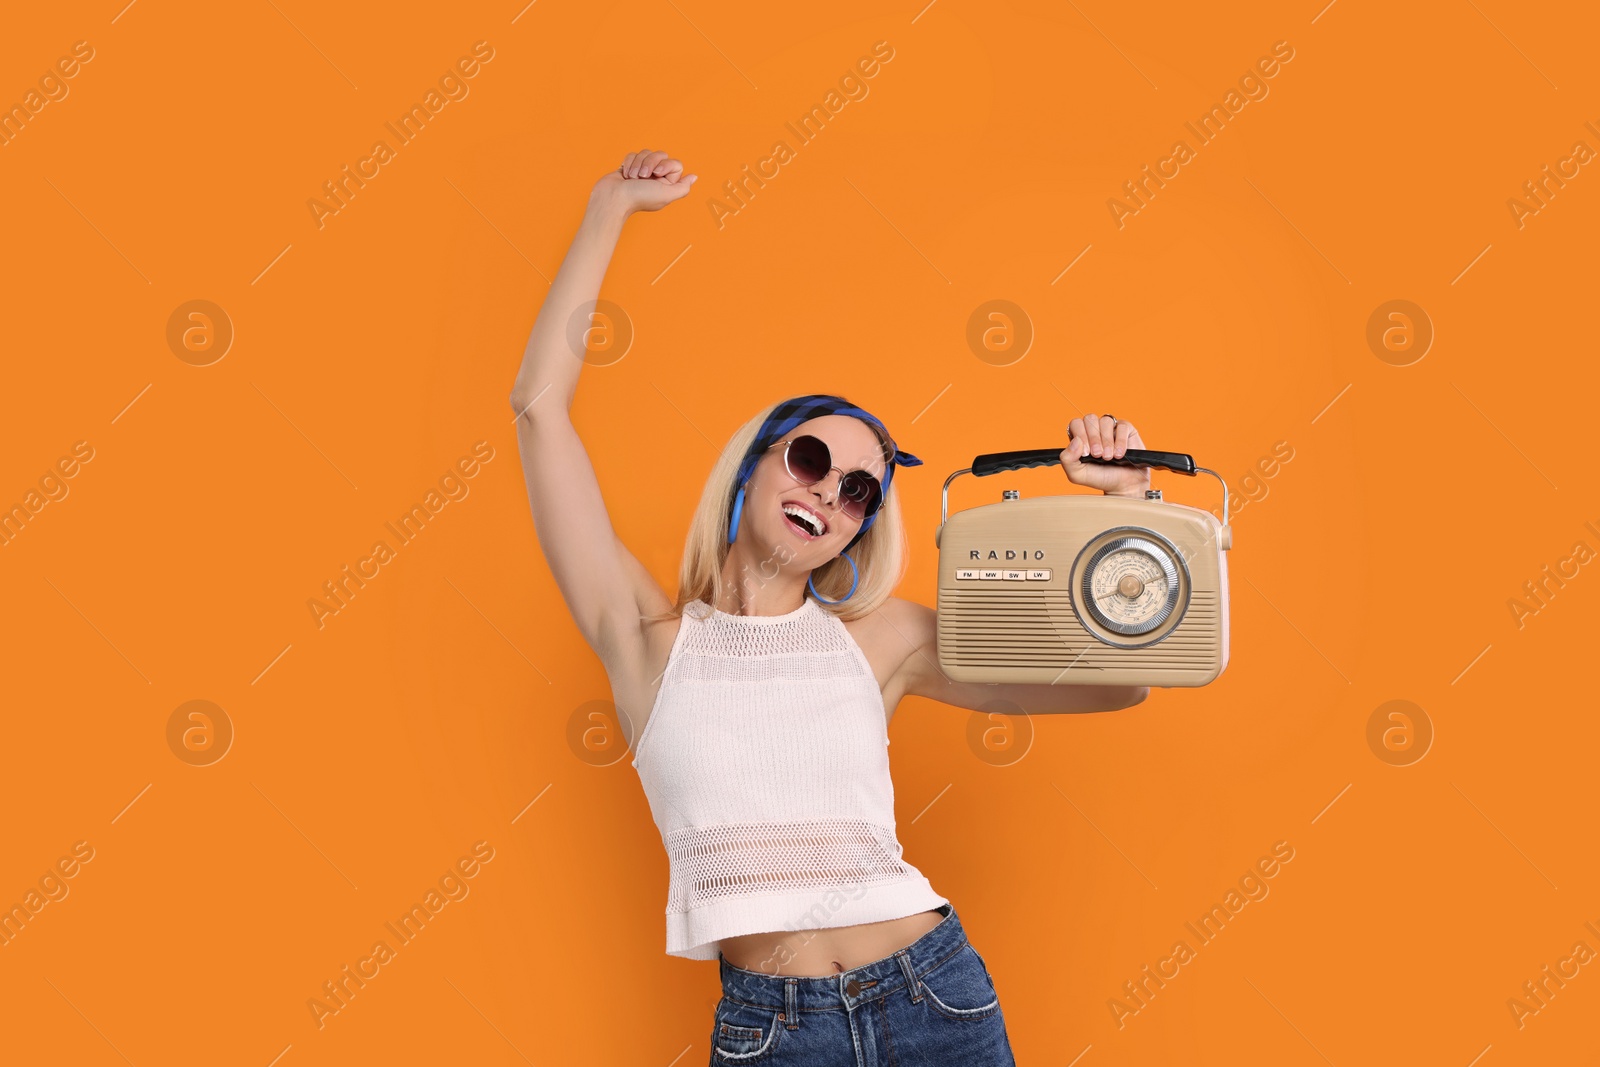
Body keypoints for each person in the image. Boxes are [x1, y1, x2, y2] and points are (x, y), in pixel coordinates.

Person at [510, 149, 1154, 1065]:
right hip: (775, 1031)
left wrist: (1126, 504)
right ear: (756, 464)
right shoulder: (647, 640)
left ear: (856, 530)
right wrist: (607, 204)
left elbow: (1117, 686)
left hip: (935, 1000)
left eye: (860, 491)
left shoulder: (881, 639)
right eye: (811, 460)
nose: (832, 492)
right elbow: (539, 411)